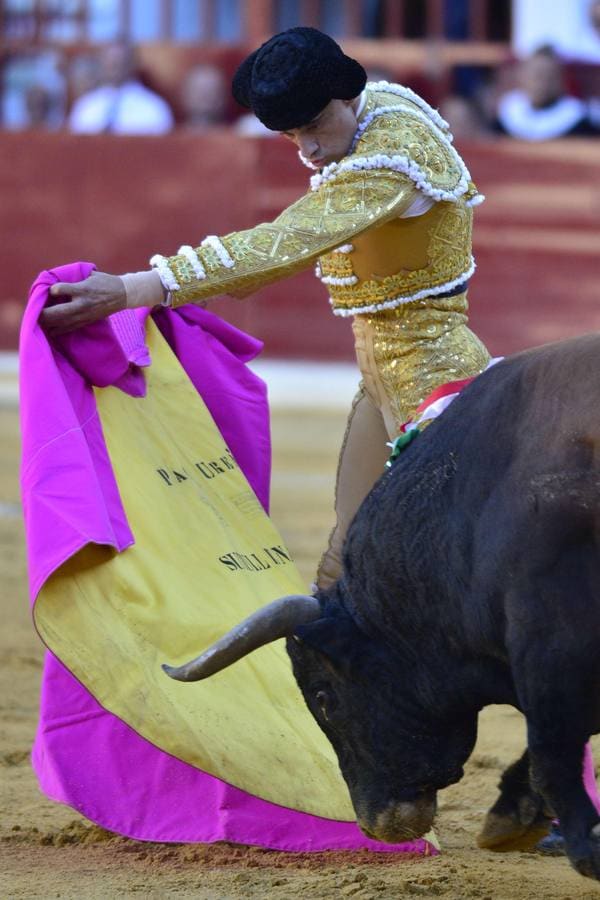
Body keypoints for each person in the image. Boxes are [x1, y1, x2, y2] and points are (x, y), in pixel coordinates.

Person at [39, 24, 600, 849]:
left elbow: (282, 243)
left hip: (440, 400)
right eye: (291, 134)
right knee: (349, 585)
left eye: (313, 128)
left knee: (513, 601)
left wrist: (135, 287)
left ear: (348, 96)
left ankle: (553, 787)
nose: (306, 149)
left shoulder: (388, 158)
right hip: (386, 391)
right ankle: (406, 773)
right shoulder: (375, 111)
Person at [68, 41, 173, 135]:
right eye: (110, 61)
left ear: (133, 63)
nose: (115, 66)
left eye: (120, 61)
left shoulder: (153, 108)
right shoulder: (86, 106)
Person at [495, 45, 597, 140]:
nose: (543, 83)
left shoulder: (580, 125)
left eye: (550, 76)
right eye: (537, 75)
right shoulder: (507, 121)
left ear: (561, 81)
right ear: (522, 78)